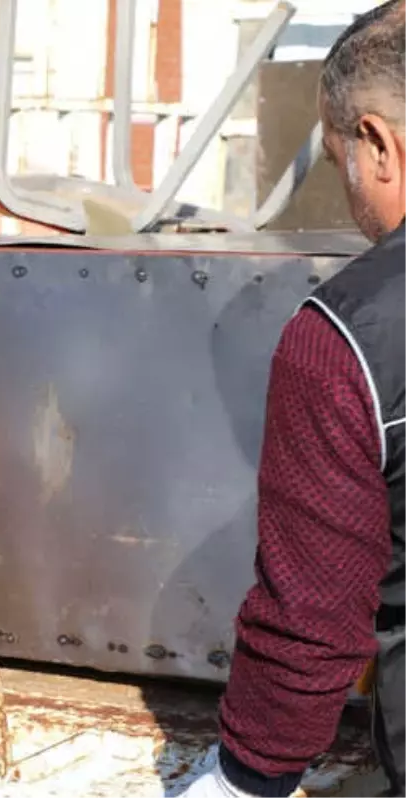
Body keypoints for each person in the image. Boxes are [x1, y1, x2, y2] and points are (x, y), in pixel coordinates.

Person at [182, 3, 406, 796]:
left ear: (378, 145)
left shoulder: (345, 339)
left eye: (337, 152)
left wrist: (242, 780)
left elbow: (313, 619)